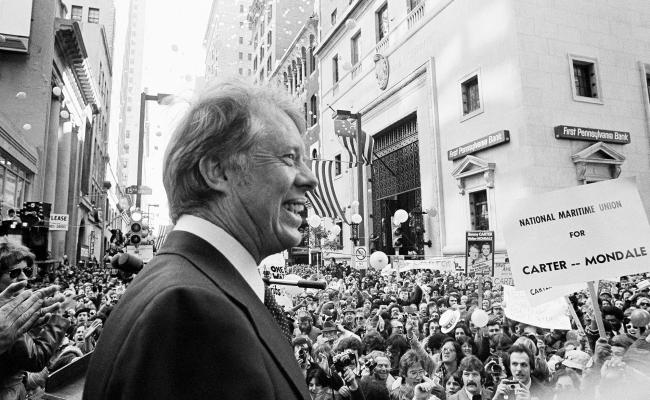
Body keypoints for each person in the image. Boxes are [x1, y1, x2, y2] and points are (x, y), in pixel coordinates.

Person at [84, 79, 317, 399]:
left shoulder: (196, 288)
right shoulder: (192, 311)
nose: (310, 179)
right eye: (289, 158)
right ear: (218, 171)